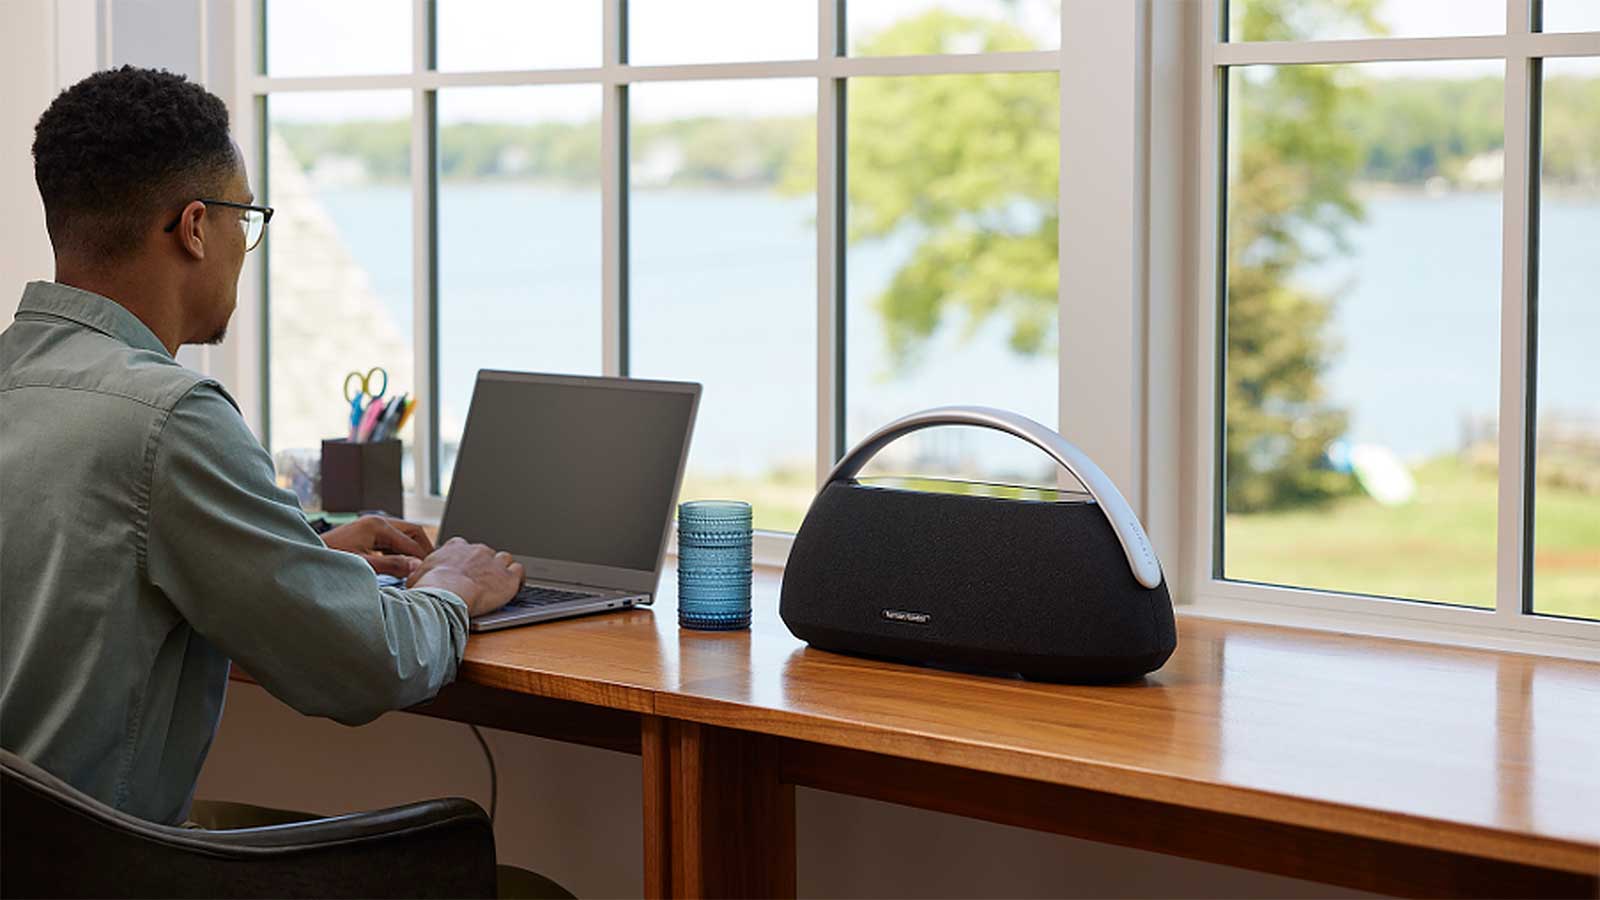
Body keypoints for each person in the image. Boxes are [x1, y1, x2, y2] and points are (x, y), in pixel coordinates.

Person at [0, 64, 530, 855]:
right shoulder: (169, 417)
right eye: (244, 217)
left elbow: (87, 563)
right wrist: (452, 588)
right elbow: (366, 665)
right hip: (110, 873)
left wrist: (297, 553)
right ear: (195, 228)